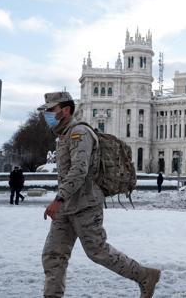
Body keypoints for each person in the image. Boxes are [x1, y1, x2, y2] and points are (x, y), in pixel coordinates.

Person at [38, 91, 160, 298]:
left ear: (65, 110)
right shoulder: (64, 136)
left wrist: (59, 199)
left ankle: (145, 276)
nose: (47, 114)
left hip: (85, 204)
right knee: (53, 255)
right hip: (67, 206)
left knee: (98, 251)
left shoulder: (79, 133)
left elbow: (79, 170)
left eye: (51, 110)